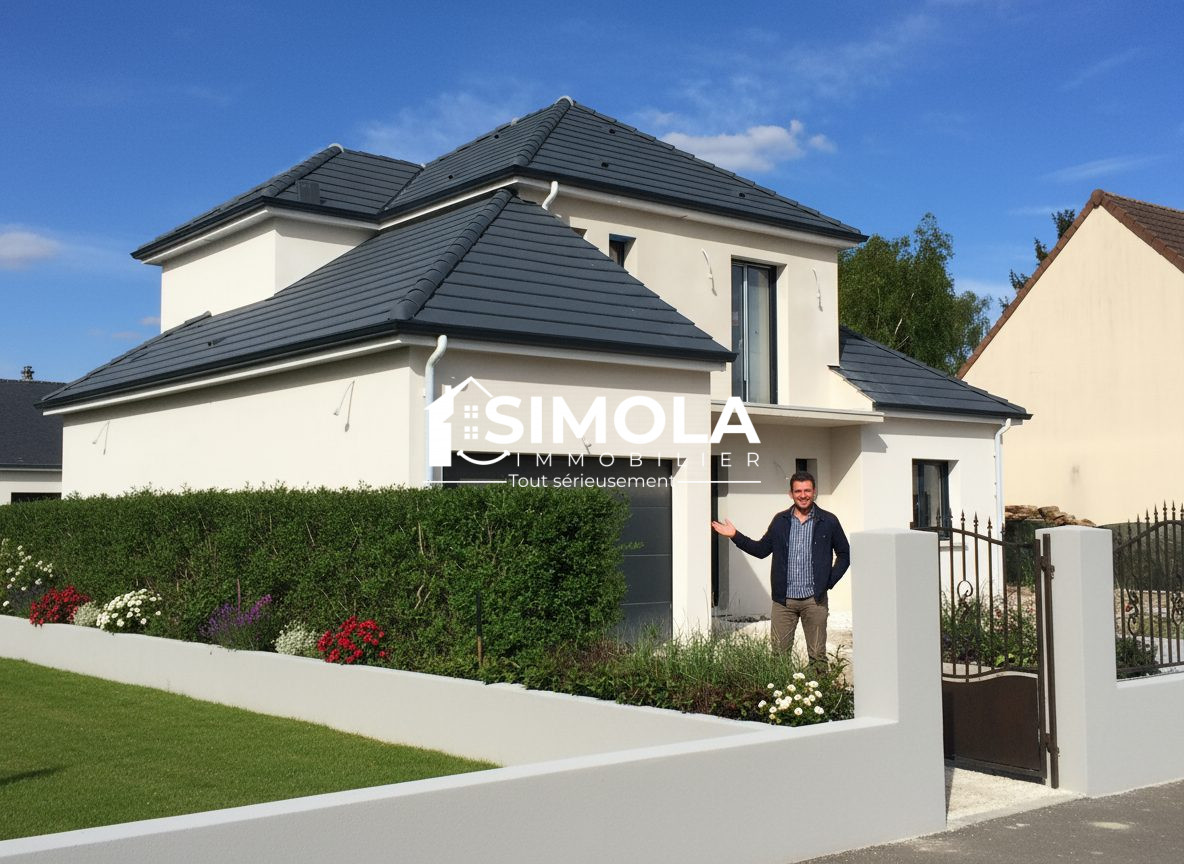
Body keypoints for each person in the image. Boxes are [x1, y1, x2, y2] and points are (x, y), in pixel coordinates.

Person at [711, 471, 849, 663]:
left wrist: (828, 581)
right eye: (798, 491)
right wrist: (735, 535)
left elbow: (844, 554)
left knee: (817, 657)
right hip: (784, 603)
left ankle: (819, 684)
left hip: (814, 601)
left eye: (807, 490)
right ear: (791, 494)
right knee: (778, 659)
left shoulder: (829, 521)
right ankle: (783, 685)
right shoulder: (781, 521)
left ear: (814, 491)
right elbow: (761, 550)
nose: (803, 495)